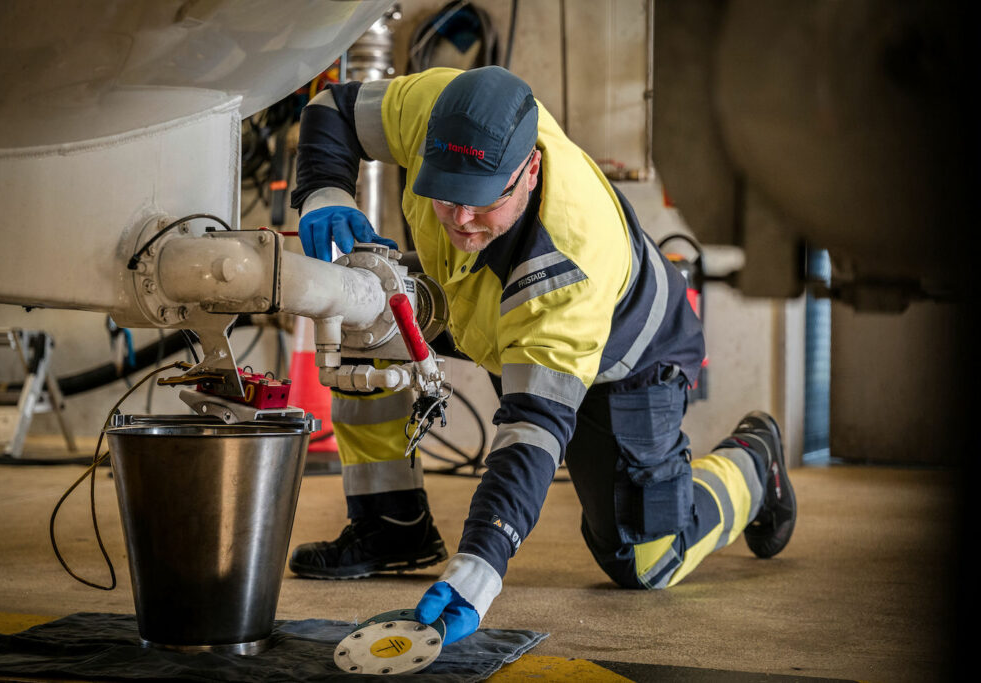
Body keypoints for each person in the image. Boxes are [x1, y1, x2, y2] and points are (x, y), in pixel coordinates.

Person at [287, 66, 796, 644]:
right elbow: (333, 107)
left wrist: (481, 564)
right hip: (474, 301)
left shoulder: (566, 266)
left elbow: (532, 428)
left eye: (481, 201)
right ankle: (392, 523)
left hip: (624, 357)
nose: (459, 219)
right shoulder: (441, 109)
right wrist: (323, 192)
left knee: (646, 559)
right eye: (444, 195)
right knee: (364, 307)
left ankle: (754, 462)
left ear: (529, 171)